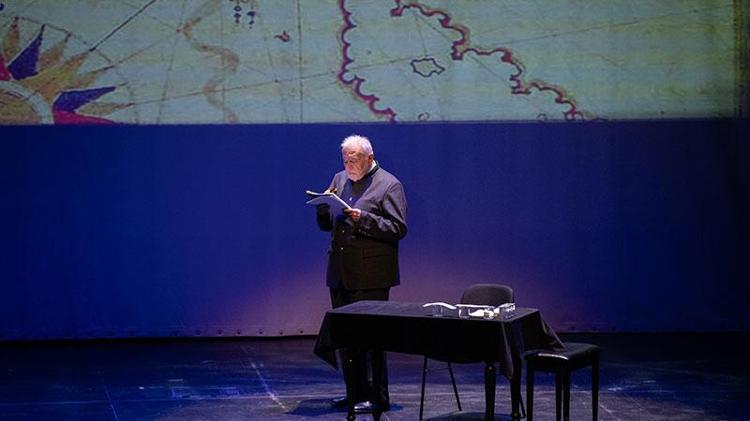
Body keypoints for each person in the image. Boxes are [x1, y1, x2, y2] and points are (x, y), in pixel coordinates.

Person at [315, 134, 408, 414]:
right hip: (341, 271)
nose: (348, 166)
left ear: (370, 158)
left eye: (354, 160)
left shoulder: (389, 184)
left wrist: (363, 219)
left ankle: (378, 397)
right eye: (345, 160)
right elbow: (329, 225)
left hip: (371, 275)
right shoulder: (340, 179)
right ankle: (354, 393)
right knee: (346, 338)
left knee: (371, 340)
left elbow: (398, 228)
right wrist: (323, 208)